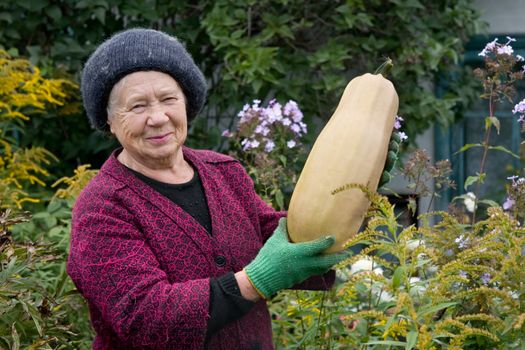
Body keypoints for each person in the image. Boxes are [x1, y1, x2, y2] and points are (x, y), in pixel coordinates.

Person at [67, 28, 397, 350]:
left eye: (169, 99)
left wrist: (354, 194)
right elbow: (146, 319)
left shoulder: (223, 172)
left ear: (186, 103)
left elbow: (288, 242)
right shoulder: (102, 207)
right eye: (137, 106)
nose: (157, 117)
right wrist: (257, 280)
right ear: (108, 121)